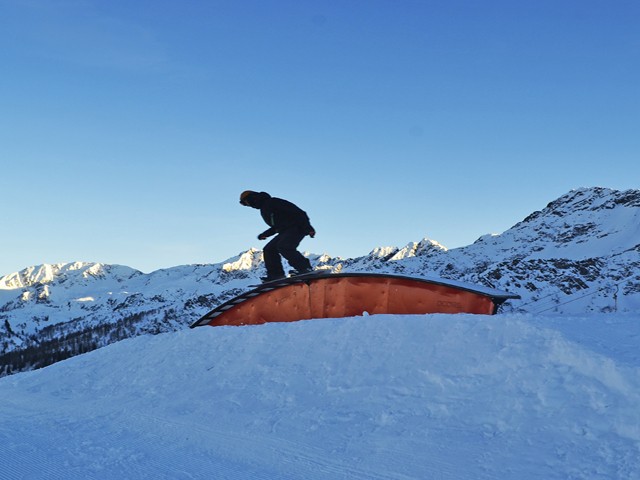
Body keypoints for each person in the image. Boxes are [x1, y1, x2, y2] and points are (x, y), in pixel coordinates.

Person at [239, 191, 316, 282]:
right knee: (269, 249)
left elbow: (299, 213)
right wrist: (265, 234)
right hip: (284, 231)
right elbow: (277, 226)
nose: (247, 205)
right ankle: (276, 275)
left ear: (251, 198)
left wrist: (308, 227)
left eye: (245, 202)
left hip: (297, 227)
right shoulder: (264, 208)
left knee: (284, 246)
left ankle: (305, 268)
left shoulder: (273, 202)